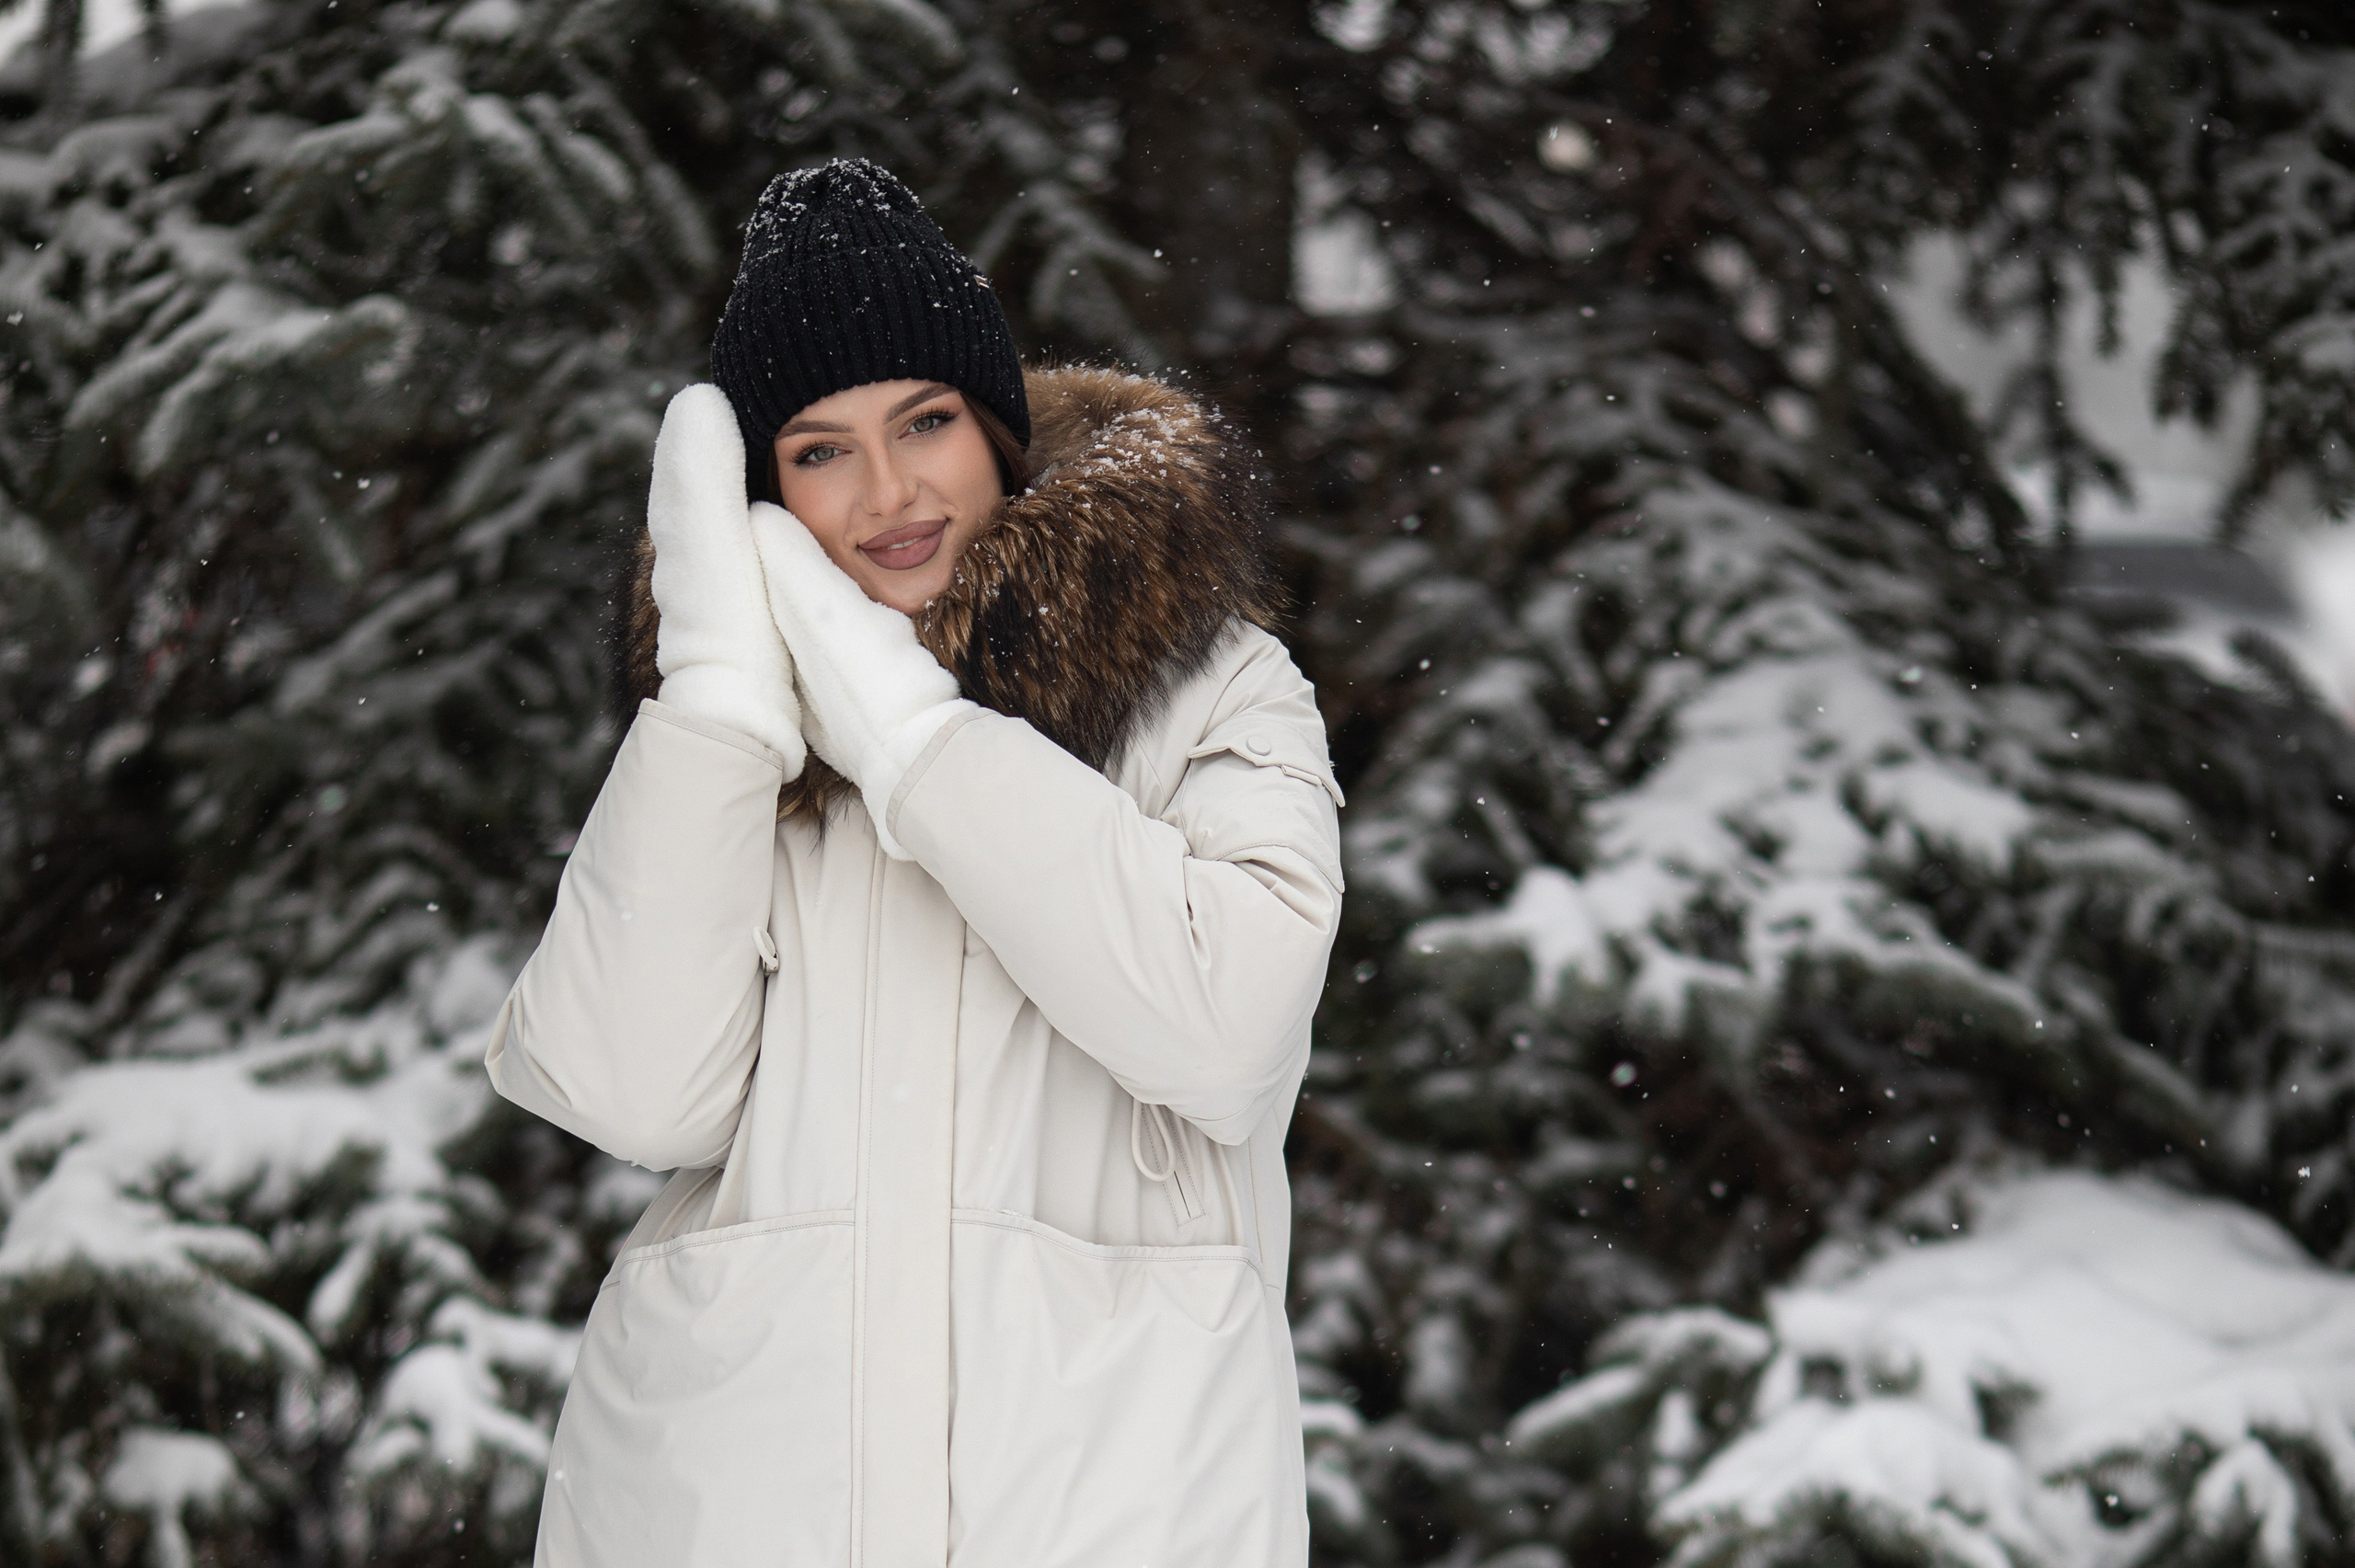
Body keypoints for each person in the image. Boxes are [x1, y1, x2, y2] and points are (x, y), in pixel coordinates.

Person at [484, 157, 1345, 1567]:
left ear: (996, 427)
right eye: (820, 449)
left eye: (924, 421)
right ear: (762, 494)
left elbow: (1226, 1025)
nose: (888, 492)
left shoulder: (1214, 688)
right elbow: (631, 1093)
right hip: (730, 1507)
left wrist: (912, 739)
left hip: (1116, 1507)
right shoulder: (744, 748)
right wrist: (711, 699)